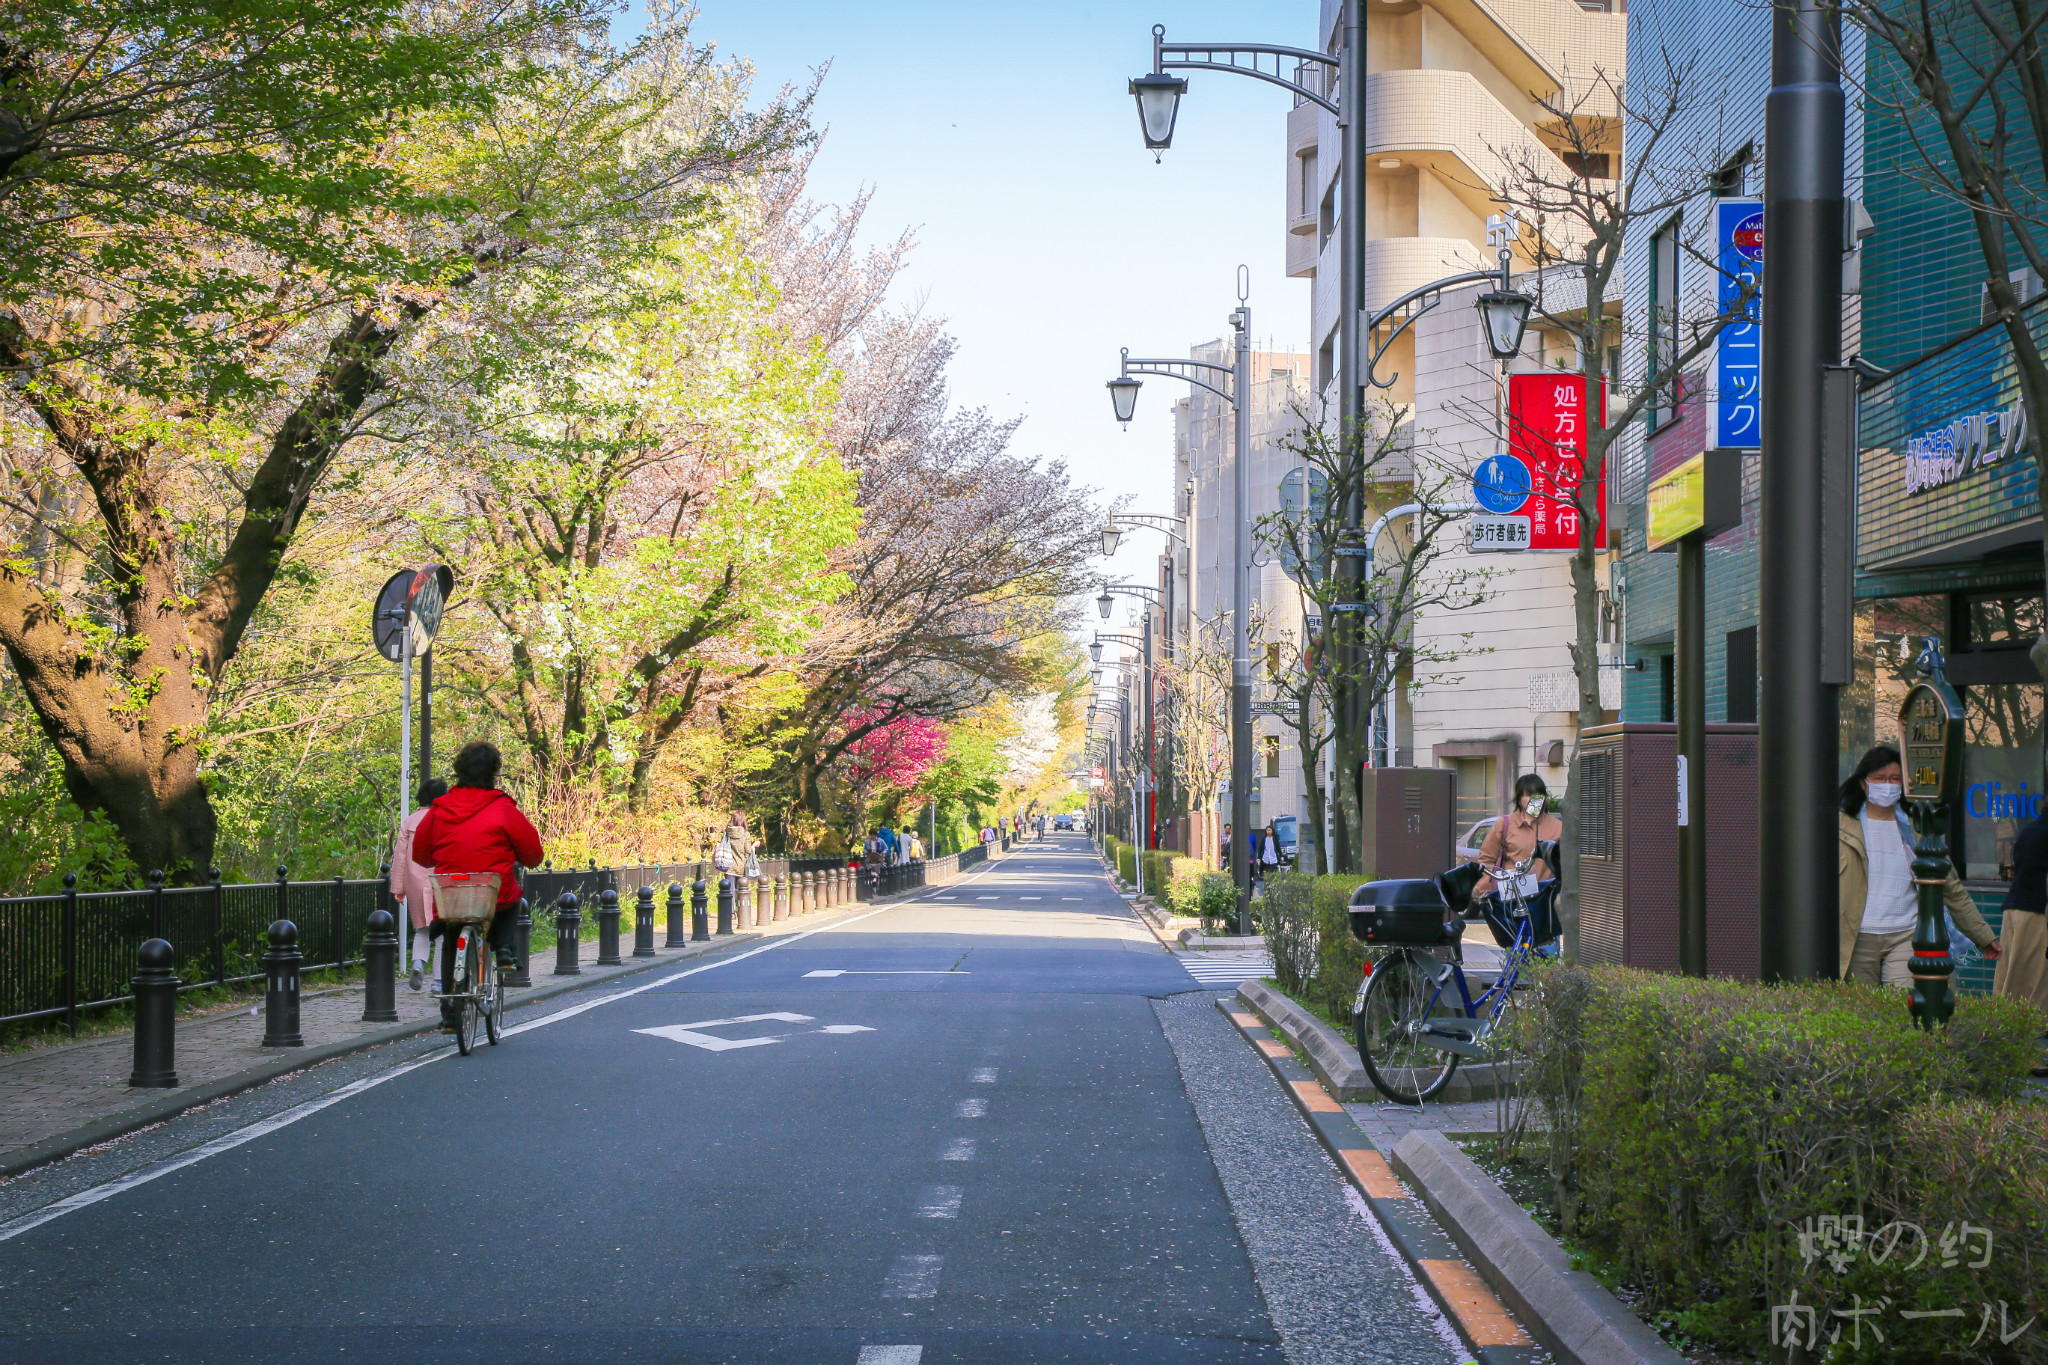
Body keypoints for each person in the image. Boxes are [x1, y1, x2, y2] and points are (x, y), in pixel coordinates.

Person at [1838, 744, 1999, 987]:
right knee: (1863, 1017)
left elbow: (1951, 888)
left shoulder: (1918, 827)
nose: (1887, 785)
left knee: (1905, 1010)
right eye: (1879, 779)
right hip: (1856, 937)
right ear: (1863, 783)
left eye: (1894, 779)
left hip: (1907, 934)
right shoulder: (1840, 827)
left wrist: (1983, 935)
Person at [412, 741, 545, 1022]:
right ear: (493, 773)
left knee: (451, 936)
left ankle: (449, 1010)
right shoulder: (502, 807)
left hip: (452, 890)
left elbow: (421, 854)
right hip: (491, 888)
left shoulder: (439, 808)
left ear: (459, 770)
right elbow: (533, 854)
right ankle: (505, 949)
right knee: (511, 901)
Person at [1994, 808, 2048, 1075]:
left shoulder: (2031, 829)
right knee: (2034, 983)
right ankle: (2027, 1055)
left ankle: (2004, 1047)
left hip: (2017, 909)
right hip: (2036, 913)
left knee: (2011, 981)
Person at [389, 778, 449, 992]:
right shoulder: (447, 819)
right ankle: (438, 982)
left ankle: (417, 965)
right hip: (442, 881)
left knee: (422, 930)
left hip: (416, 882)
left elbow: (400, 857)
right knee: (442, 935)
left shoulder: (410, 822)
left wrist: (398, 888)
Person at [1475, 774, 1563, 899]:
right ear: (1519, 799)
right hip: (1512, 898)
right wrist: (1486, 892)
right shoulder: (1504, 824)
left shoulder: (1558, 827)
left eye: (1538, 795)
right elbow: (1486, 860)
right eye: (1528, 795)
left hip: (1547, 899)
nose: (1533, 799)